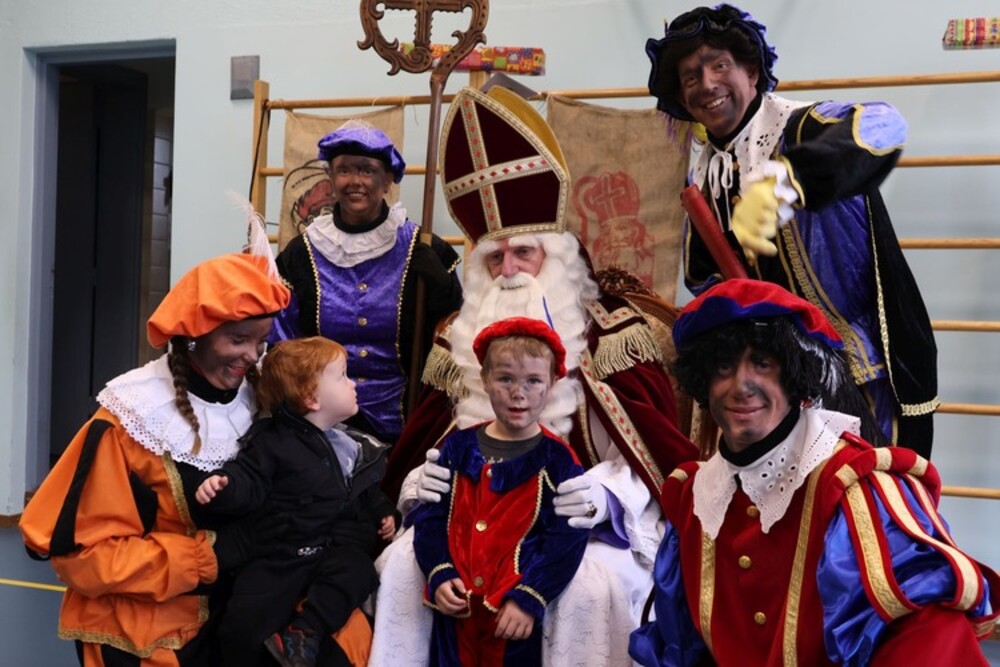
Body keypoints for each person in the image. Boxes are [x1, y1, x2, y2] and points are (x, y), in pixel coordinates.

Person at [370, 85, 698, 667]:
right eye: (495, 258)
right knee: (401, 566)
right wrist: (419, 481)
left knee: (592, 583)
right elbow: (423, 444)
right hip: (467, 519)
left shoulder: (612, 334)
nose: (509, 271)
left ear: (555, 255)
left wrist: (607, 496)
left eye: (524, 253)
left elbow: (653, 451)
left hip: (577, 526)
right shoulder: (454, 339)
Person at [629, 278, 999, 666]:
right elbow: (682, 648)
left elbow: (929, 636)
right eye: (724, 366)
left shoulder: (856, 489)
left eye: (763, 364)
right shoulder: (696, 499)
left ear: (795, 377)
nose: (741, 386)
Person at [645, 3, 939, 458]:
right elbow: (706, 279)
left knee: (876, 495)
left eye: (719, 66)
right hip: (781, 389)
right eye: (690, 77)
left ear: (751, 72)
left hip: (869, 376)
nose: (706, 84)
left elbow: (886, 127)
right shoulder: (705, 178)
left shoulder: (801, 126)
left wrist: (790, 178)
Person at [18, 254, 300, 665]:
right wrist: (209, 557)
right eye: (238, 340)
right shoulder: (131, 419)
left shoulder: (261, 402)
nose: (252, 356)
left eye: (261, 341)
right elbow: (84, 559)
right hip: (145, 633)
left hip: (237, 619)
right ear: (194, 335)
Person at [193, 336, 397, 667]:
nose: (353, 384)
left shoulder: (352, 443)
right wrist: (223, 486)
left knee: (359, 571)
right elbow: (248, 478)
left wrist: (384, 511)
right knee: (244, 621)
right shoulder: (273, 441)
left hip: (334, 551)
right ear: (311, 398)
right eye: (343, 376)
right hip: (283, 554)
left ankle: (304, 632)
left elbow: (363, 489)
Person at [411, 317, 590, 666]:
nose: (518, 392)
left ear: (552, 384)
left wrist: (529, 597)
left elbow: (566, 540)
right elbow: (430, 516)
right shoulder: (457, 446)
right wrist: (439, 572)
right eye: (505, 378)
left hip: (512, 615)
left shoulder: (558, 460)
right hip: (456, 609)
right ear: (485, 380)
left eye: (533, 381)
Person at [270, 122, 464, 443]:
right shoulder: (300, 254)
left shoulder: (425, 249)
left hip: (406, 424)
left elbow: (453, 334)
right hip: (321, 424)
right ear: (331, 178)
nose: (355, 181)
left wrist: (443, 290)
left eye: (367, 170)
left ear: (387, 180)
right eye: (344, 170)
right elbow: (283, 339)